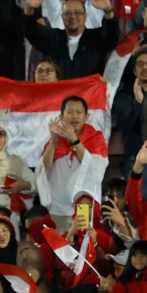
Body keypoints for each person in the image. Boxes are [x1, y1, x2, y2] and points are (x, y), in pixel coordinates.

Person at [40, 96, 109, 231]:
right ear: (61, 117)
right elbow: (44, 169)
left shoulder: (95, 138)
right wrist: (54, 142)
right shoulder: (55, 140)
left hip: (84, 207)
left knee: (82, 248)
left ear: (86, 116)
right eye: (70, 112)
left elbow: (96, 168)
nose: (74, 116)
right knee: (60, 249)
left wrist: (75, 141)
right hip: (58, 209)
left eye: (79, 112)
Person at [22, 0, 119, 79]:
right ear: (62, 17)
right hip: (59, 94)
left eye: (78, 13)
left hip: (88, 94)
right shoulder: (52, 38)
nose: (72, 16)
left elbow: (112, 35)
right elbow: (31, 31)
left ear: (85, 16)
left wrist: (108, 10)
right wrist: (28, 8)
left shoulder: (96, 39)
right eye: (67, 13)